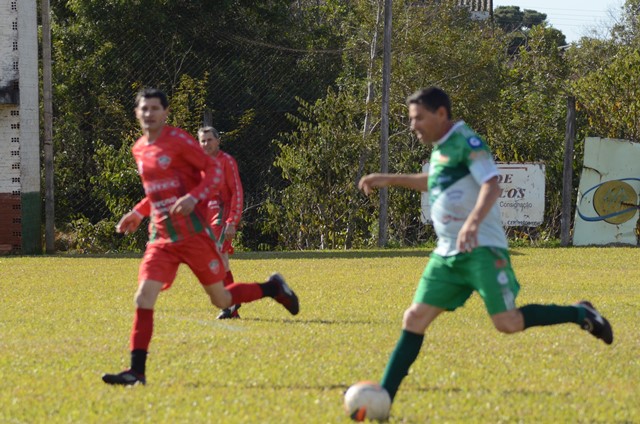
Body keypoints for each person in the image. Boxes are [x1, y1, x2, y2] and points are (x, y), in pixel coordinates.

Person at [358, 87, 613, 407]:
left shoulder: (468, 142)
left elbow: (491, 185)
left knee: (507, 323)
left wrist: (472, 222)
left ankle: (580, 313)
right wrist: (386, 178)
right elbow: (432, 182)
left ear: (441, 114)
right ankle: (383, 398)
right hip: (447, 254)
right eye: (412, 119)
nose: (413, 126)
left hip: (482, 250)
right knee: (414, 319)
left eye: (418, 118)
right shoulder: (441, 147)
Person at [102, 88, 299, 386]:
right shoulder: (139, 148)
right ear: (137, 113)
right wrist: (138, 213)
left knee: (221, 298)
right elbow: (156, 192)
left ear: (165, 113)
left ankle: (272, 288)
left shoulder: (179, 140)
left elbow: (213, 172)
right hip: (161, 238)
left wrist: (194, 197)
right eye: (144, 108)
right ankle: (136, 372)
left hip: (194, 234)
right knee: (143, 296)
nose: (149, 113)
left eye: (155, 108)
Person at [198, 126, 244, 319]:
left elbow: (236, 192)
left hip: (223, 217)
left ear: (218, 141)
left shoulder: (227, 161)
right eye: (203, 140)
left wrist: (232, 220)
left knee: (217, 259)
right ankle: (233, 308)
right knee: (219, 261)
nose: (206, 144)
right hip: (208, 220)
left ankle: (229, 303)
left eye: (210, 140)